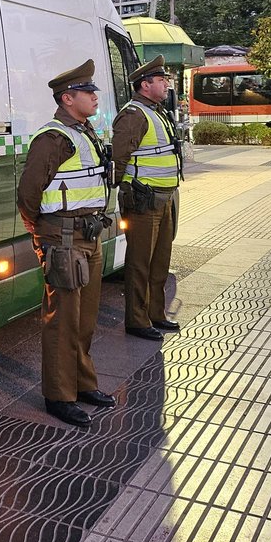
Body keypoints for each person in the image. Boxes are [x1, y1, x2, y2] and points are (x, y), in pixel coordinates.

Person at [17, 59, 115, 428]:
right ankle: (59, 396)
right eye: (88, 92)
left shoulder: (84, 132)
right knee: (63, 321)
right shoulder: (52, 138)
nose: (94, 97)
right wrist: (43, 235)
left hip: (87, 235)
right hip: (64, 238)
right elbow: (28, 194)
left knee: (85, 319)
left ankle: (83, 384)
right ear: (68, 97)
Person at [112, 54, 182, 342]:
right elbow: (118, 159)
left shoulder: (156, 111)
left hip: (162, 199)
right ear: (144, 85)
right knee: (140, 263)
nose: (166, 84)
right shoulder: (133, 115)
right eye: (161, 80)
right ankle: (137, 320)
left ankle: (155, 313)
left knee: (159, 262)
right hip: (143, 201)